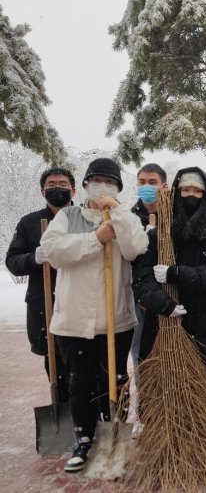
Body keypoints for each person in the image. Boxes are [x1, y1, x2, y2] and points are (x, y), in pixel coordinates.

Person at [40, 158, 149, 472]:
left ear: (117, 188)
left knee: (115, 382)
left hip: (114, 320)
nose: (102, 186)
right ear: (85, 186)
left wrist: (118, 213)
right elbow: (54, 252)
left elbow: (135, 248)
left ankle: (114, 432)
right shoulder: (68, 216)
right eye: (96, 180)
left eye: (110, 182)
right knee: (79, 385)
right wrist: (95, 238)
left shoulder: (124, 216)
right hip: (72, 321)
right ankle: (84, 439)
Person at [131, 167, 206, 407]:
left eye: (197, 190)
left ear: (205, 195)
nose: (190, 195)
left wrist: (176, 274)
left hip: (204, 322)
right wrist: (164, 304)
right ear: (176, 193)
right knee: (165, 398)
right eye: (185, 189)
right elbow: (141, 278)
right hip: (162, 324)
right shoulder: (159, 235)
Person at [6, 167, 77, 405]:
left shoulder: (87, 219)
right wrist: (33, 258)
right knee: (55, 361)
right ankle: (64, 412)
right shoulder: (30, 223)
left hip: (81, 302)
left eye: (63, 184)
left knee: (87, 364)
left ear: (73, 189)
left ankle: (89, 418)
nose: (57, 188)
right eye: (51, 184)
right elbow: (13, 262)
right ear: (42, 191)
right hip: (46, 303)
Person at [130, 163, 168, 371]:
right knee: (140, 352)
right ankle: (145, 401)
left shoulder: (174, 216)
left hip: (169, 294)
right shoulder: (129, 219)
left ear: (163, 186)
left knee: (170, 351)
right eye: (142, 182)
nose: (147, 187)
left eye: (152, 182)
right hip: (138, 298)